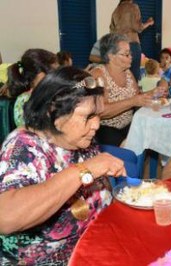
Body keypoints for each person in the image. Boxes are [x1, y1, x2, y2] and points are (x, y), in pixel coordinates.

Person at [0, 67, 126, 265]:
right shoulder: (25, 146)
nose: (97, 125)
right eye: (88, 116)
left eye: (98, 115)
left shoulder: (79, 139)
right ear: (54, 115)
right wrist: (86, 170)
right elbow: (6, 218)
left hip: (95, 250)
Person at [90, 33, 163, 146]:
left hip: (128, 124)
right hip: (105, 128)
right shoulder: (98, 74)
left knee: (153, 133)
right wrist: (133, 101)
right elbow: (101, 111)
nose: (131, 57)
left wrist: (154, 92)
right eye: (126, 54)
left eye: (130, 53)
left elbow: (137, 96)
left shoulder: (128, 73)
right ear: (111, 56)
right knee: (130, 145)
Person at [3, 49, 58, 127]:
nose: (57, 78)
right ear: (40, 75)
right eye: (54, 73)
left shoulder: (45, 94)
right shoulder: (26, 100)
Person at [110, 0, 154, 82]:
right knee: (134, 76)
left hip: (119, 47)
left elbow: (112, 31)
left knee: (121, 75)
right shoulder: (133, 7)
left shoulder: (116, 11)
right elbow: (138, 27)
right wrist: (149, 23)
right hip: (132, 44)